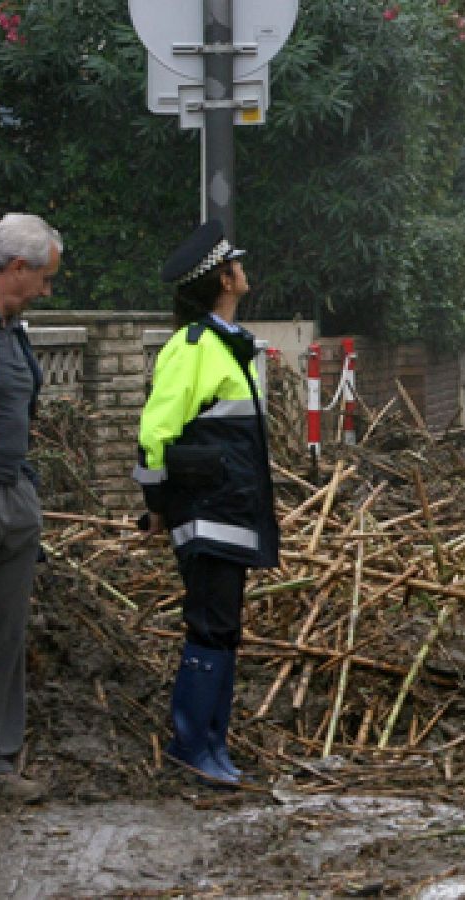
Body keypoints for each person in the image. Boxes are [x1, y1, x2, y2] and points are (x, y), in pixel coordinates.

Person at [134, 221, 278, 786]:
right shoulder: (192, 348)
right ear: (224, 276)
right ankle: (191, 745)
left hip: (232, 513)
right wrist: (158, 505)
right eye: (236, 263)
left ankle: (212, 744)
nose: (244, 270)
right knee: (210, 626)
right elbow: (154, 434)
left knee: (224, 628)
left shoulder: (226, 346)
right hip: (208, 514)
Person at [0, 213, 62, 805]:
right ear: (17, 268)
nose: (48, 290)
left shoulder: (13, 329)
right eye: (45, 278)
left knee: (3, 635)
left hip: (12, 491)